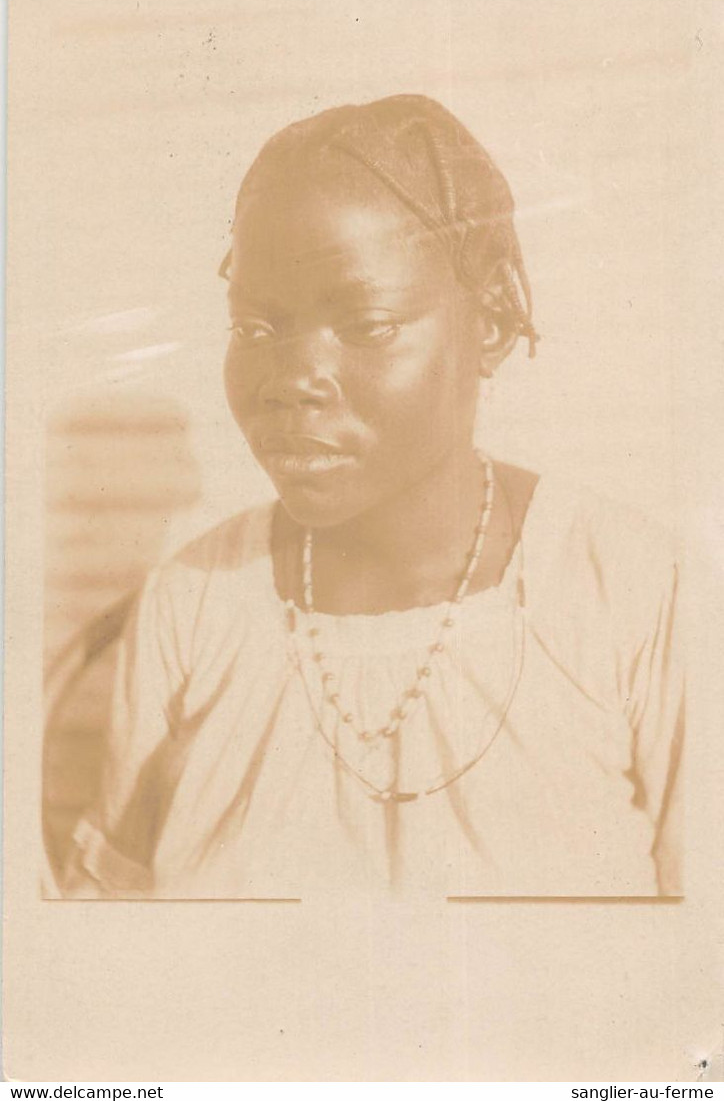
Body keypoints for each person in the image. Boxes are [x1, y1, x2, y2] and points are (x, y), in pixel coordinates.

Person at [63, 94, 683, 900]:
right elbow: (100, 936)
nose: (291, 381)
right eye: (255, 329)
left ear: (492, 320)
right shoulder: (195, 606)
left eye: (367, 324)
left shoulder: (627, 589)